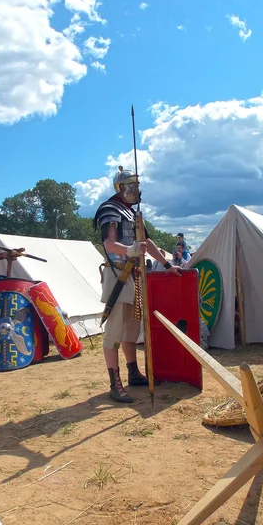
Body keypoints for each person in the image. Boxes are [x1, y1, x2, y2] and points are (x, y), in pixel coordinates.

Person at [93, 166, 181, 403]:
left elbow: (147, 242)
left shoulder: (133, 214)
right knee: (114, 332)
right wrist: (130, 249)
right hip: (118, 275)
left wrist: (167, 264)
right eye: (130, 186)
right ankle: (115, 383)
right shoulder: (110, 209)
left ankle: (133, 373)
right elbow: (110, 244)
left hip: (135, 276)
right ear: (120, 188)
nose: (135, 190)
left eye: (136, 186)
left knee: (131, 330)